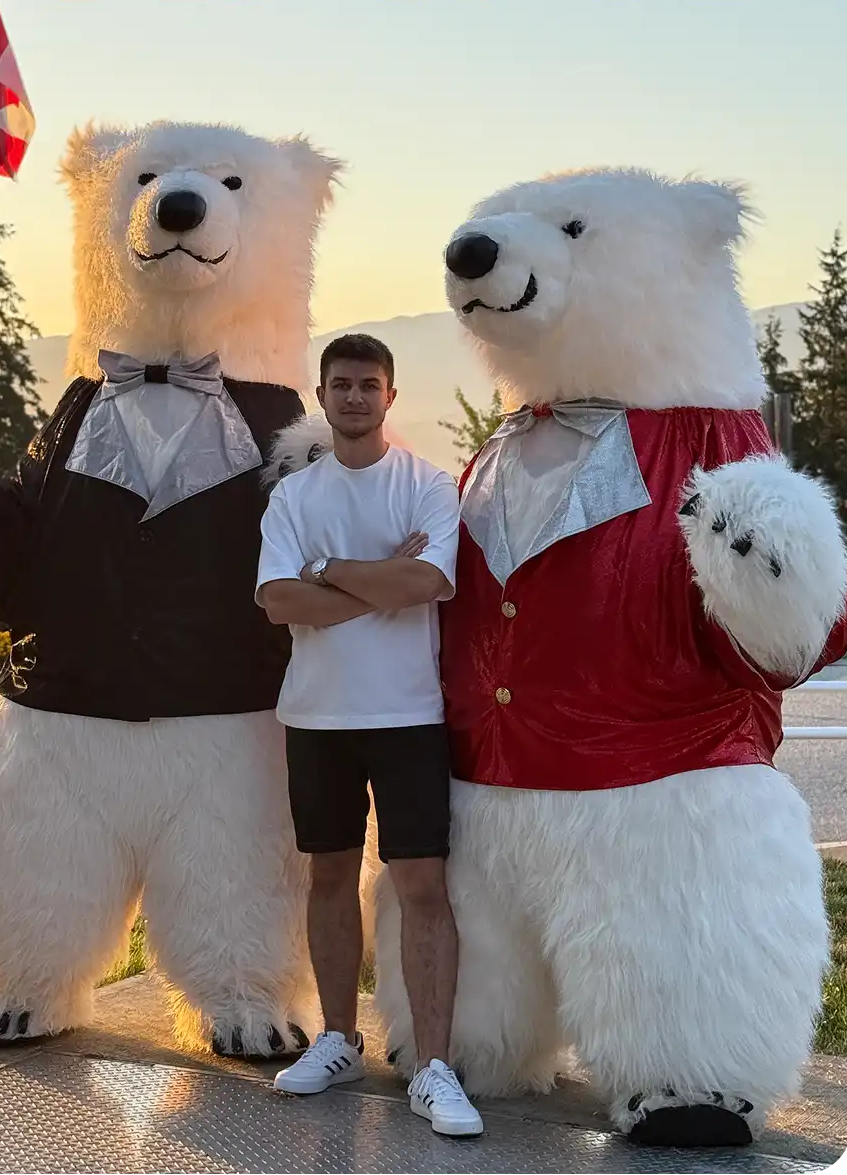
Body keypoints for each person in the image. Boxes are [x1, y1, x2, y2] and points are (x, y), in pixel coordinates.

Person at [254, 332, 484, 1139]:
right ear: (322, 396)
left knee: (423, 884)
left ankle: (433, 1065)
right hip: (316, 717)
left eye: (369, 384)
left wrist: (327, 571)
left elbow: (427, 581)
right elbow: (280, 603)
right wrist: (371, 576)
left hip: (408, 716)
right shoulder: (293, 498)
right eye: (340, 384)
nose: (354, 397)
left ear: (392, 396)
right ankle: (339, 1040)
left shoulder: (427, 486)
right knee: (328, 878)